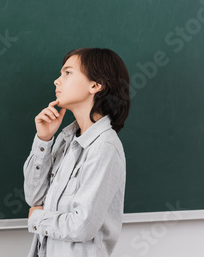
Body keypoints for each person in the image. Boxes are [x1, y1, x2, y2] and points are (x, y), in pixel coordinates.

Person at [23, 48, 130, 257]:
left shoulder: (104, 147)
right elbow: (34, 198)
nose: (57, 81)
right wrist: (44, 140)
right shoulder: (67, 139)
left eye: (67, 73)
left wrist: (37, 218)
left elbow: (83, 225)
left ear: (95, 85)